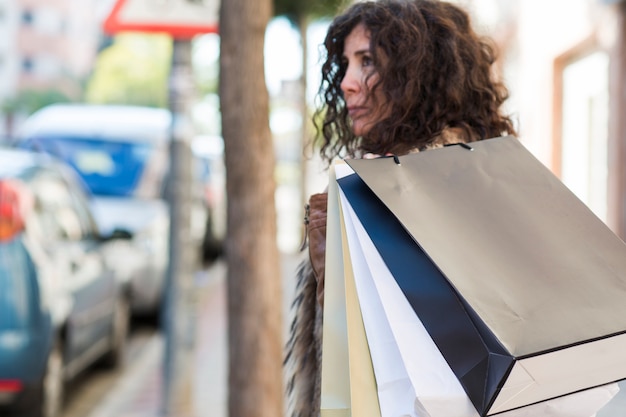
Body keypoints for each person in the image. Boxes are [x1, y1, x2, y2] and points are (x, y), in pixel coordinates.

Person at [284, 1, 517, 416]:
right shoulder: (382, 178)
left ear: (419, 73)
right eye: (346, 64)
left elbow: (405, 356)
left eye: (368, 61)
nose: (348, 83)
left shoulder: (444, 186)